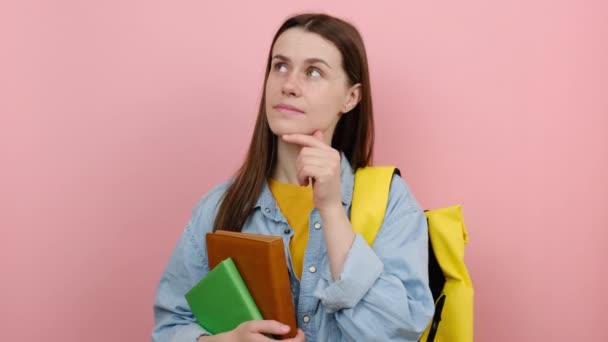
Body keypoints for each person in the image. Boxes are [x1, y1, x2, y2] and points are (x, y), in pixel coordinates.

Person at [152, 13, 434, 342]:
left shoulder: (390, 201)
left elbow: (398, 332)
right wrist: (227, 341)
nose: (288, 85)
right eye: (280, 66)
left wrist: (331, 210)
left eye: (313, 71)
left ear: (351, 97)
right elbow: (170, 327)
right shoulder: (219, 207)